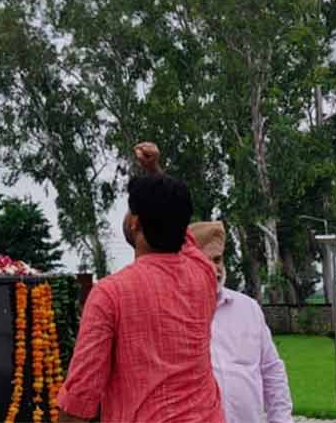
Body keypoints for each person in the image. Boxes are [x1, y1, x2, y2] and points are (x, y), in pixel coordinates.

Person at [57, 144, 224, 423]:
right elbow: (182, 231)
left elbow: (80, 398)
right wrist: (154, 174)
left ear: (135, 222)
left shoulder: (110, 295)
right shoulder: (204, 274)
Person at [190, 221, 294, 423]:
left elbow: (272, 370)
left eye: (218, 259)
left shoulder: (248, 309)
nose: (215, 268)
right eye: (205, 261)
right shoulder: (174, 314)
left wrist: (281, 419)